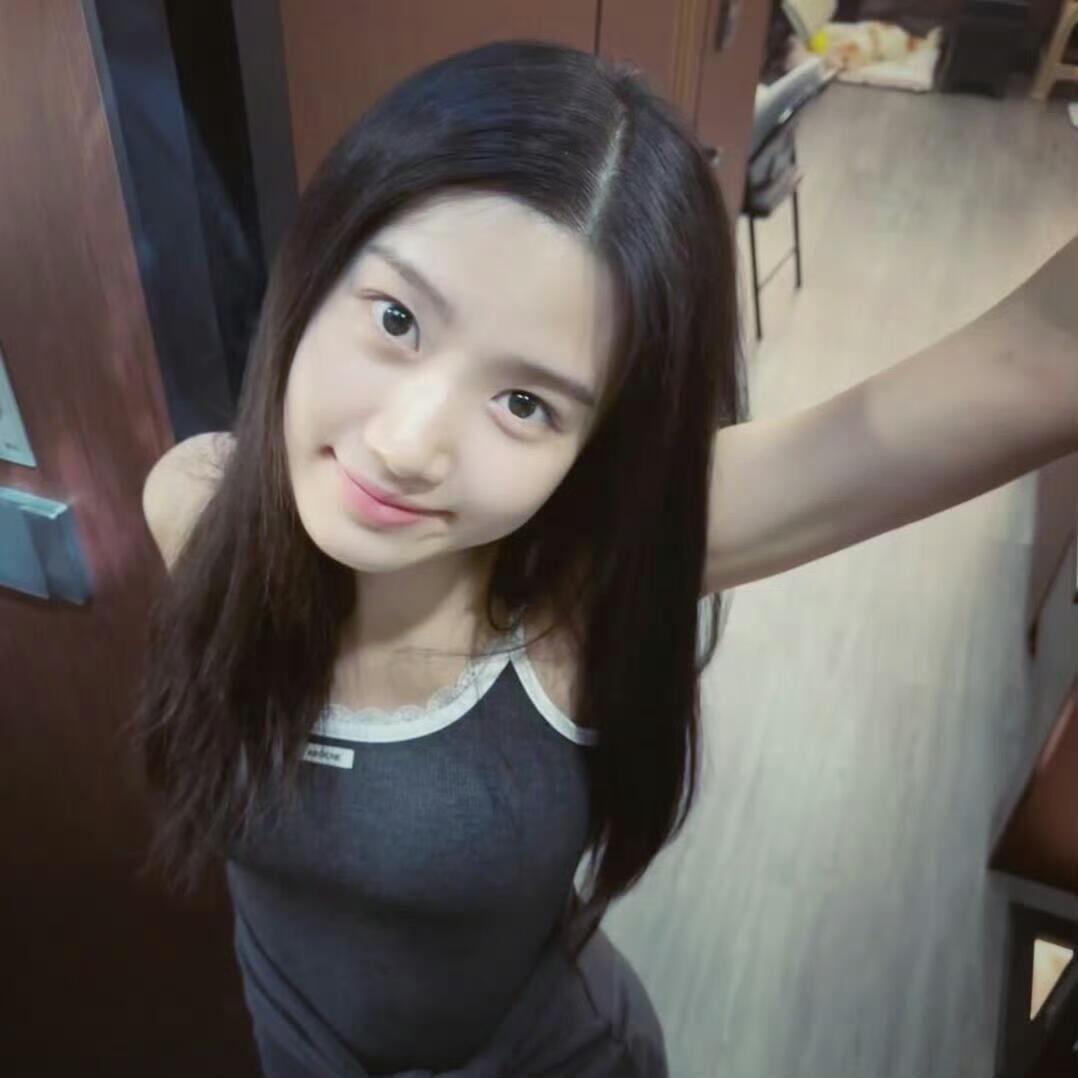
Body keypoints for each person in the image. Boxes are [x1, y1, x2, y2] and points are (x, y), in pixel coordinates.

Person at [133, 39, 1078, 1078]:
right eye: (396, 319)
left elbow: (1034, 362)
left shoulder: (573, 589)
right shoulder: (191, 502)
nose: (405, 444)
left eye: (523, 402)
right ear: (318, 264)